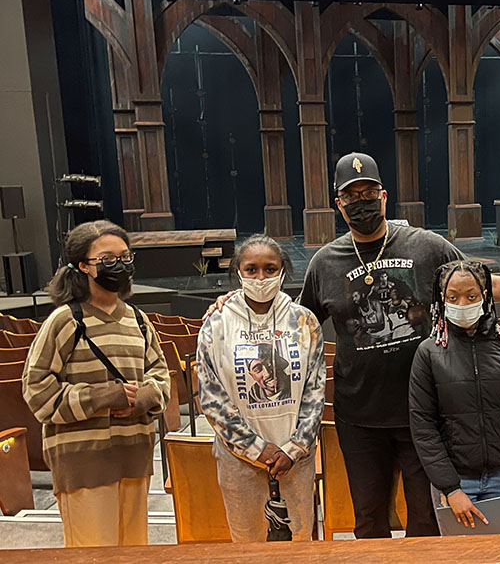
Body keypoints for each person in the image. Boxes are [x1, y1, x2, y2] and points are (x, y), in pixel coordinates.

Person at [276, 152, 500, 538]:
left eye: (368, 193)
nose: (361, 202)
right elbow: (295, 322)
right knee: (368, 519)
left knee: (426, 520)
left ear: (384, 197)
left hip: (426, 416)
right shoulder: (325, 262)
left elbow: (482, 283)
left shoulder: (427, 246)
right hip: (359, 417)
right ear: (339, 204)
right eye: (351, 196)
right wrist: (233, 303)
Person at [22, 220, 170, 547]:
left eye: (125, 257)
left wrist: (144, 397)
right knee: (94, 552)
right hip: (83, 463)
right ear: (82, 266)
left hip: (134, 457)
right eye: (107, 259)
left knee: (134, 551)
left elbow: (160, 375)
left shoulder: (139, 321)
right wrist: (103, 397)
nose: (120, 265)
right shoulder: (64, 321)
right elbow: (37, 392)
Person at [197, 234, 325, 541]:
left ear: (283, 271)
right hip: (240, 460)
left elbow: (314, 393)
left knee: (300, 543)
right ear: (238, 271)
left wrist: (293, 448)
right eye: (251, 269)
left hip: (295, 458)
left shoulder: (304, 322)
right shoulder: (217, 323)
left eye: (270, 268)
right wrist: (256, 449)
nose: (260, 277)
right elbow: (211, 398)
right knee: (248, 545)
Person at [409, 260, 500, 530]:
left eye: (471, 296)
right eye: (453, 297)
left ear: (485, 296)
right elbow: (423, 427)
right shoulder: (428, 353)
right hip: (457, 483)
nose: (462, 303)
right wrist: (450, 488)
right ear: (442, 299)